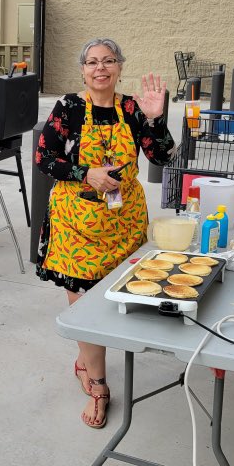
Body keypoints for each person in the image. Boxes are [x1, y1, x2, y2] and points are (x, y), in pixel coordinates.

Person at [35, 38, 175, 429]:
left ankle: (86, 359)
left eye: (109, 61)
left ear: (119, 67)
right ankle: (98, 385)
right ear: (83, 70)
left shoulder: (132, 108)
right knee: (85, 308)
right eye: (93, 62)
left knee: (121, 301)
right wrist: (85, 173)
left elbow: (162, 156)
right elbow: (44, 158)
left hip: (123, 223)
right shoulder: (69, 107)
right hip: (76, 224)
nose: (101, 68)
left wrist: (155, 120)